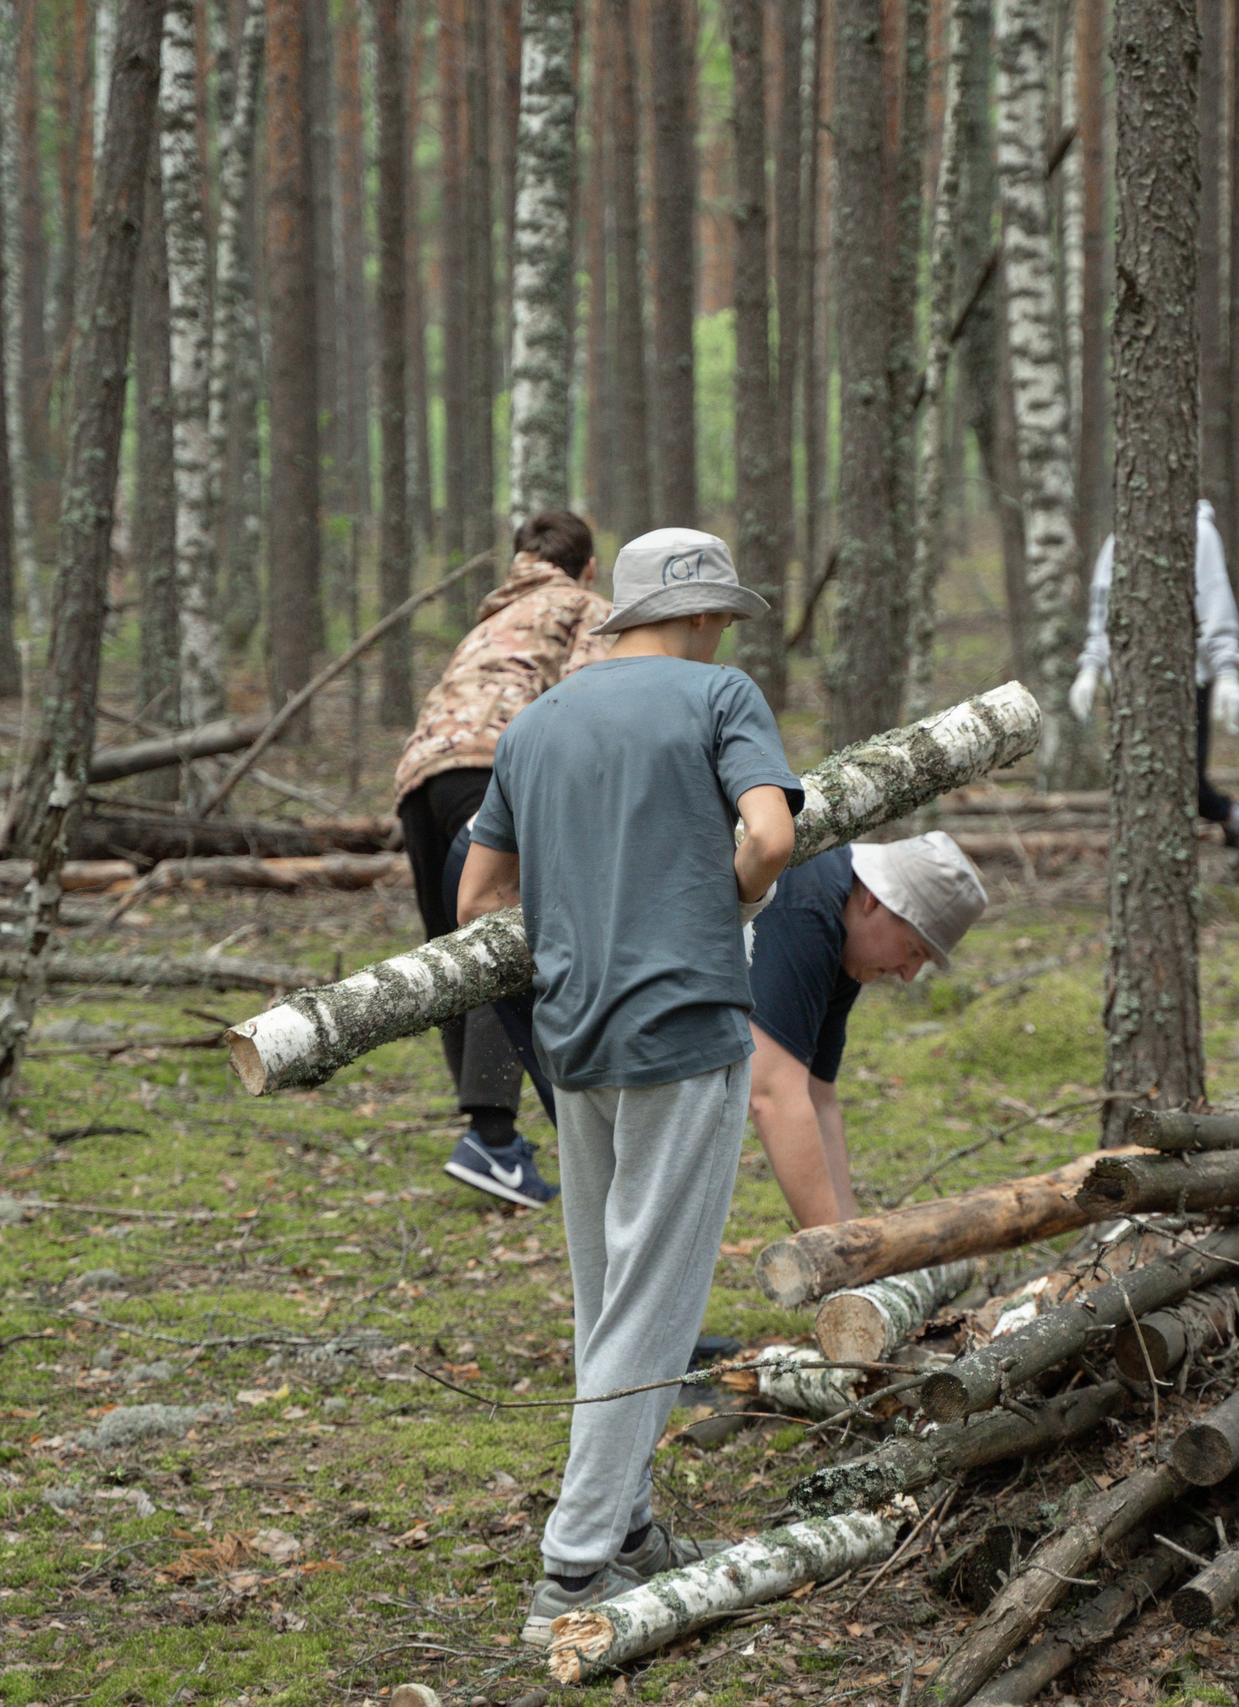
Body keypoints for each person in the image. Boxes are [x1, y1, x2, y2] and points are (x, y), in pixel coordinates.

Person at [457, 527, 798, 1646]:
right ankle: (572, 1566)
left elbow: (476, 897)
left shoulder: (540, 721)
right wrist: (725, 904)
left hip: (574, 1035)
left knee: (608, 1289)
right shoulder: (718, 697)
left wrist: (579, 930)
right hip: (689, 1023)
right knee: (655, 1302)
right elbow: (771, 833)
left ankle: (634, 1527)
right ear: (702, 617)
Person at [395, 510, 609, 1207]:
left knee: (457, 953)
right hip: (495, 767)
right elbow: (595, 698)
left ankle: (491, 1140)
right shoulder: (582, 606)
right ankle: (491, 1140)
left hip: (420, 776)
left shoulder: (491, 617)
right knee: (500, 934)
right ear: (589, 567)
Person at [746, 831, 989, 1227]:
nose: (909, 975)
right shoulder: (809, 896)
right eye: (913, 950)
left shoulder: (849, 943)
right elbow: (771, 1095)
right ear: (875, 898)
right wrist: (837, 1255)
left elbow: (818, 1096)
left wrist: (853, 1237)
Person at [1069, 499, 1239, 854]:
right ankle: (1143, 856)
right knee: (1133, 777)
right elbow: (1103, 608)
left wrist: (1227, 672)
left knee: (1185, 782)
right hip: (1129, 686)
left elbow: (1215, 602)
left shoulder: (1199, 534)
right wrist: (1090, 668)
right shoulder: (1118, 540)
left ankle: (1234, 817)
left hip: (1189, 683)